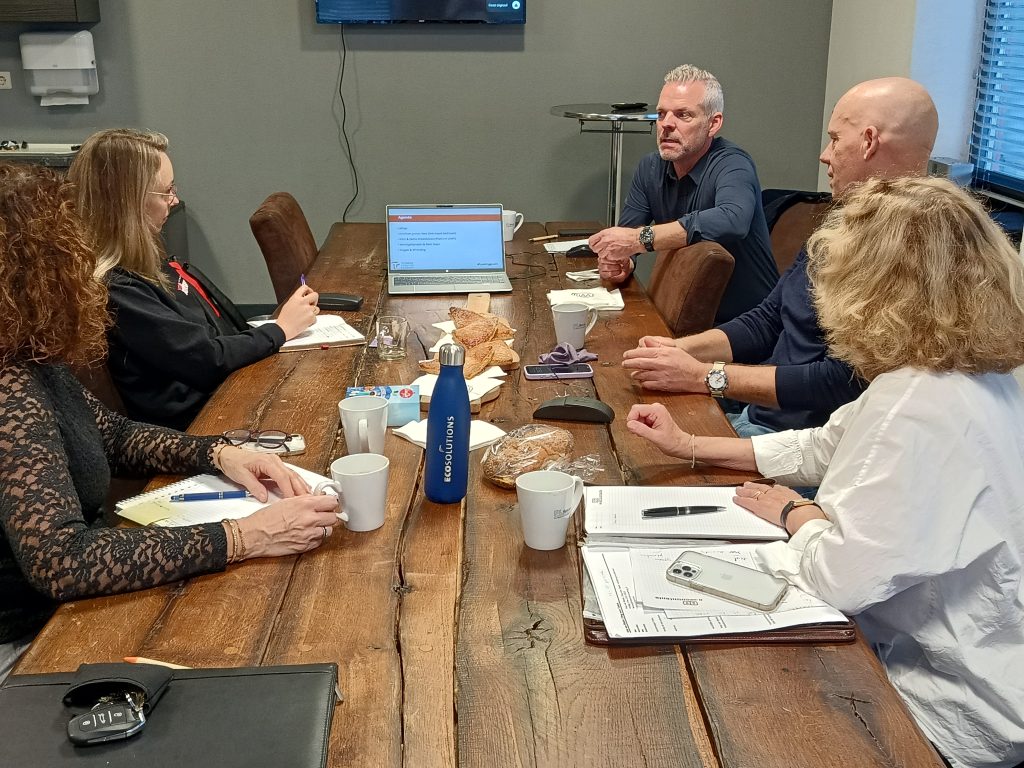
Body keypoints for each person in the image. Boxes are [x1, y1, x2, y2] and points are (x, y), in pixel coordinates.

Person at [627, 177, 1024, 768]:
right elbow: (826, 445)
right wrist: (691, 443)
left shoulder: (916, 402)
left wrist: (797, 513)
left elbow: (840, 578)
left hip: (949, 707)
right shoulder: (969, 374)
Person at [0, 164, 342, 680]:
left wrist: (220, 453)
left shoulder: (23, 355)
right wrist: (243, 536)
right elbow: (62, 560)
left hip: (68, 610)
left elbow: (110, 433)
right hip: (35, 641)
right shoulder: (8, 388)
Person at [622, 77, 939, 436]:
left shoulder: (909, 249)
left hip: (796, 443)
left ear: (868, 142)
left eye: (835, 139)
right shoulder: (839, 225)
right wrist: (678, 350)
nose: (824, 154)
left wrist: (703, 376)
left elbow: (839, 381)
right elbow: (769, 320)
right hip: (760, 417)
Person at [68, 129, 319, 431]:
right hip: (199, 424)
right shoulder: (117, 290)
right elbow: (206, 361)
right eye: (166, 191)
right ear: (128, 204)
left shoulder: (146, 267)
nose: (175, 201)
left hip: (221, 398)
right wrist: (280, 329)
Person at [589, 64, 778, 323]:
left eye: (683, 115)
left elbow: (733, 219)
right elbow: (629, 236)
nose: (666, 124)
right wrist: (622, 264)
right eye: (661, 113)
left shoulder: (733, 163)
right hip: (680, 319)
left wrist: (641, 239)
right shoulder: (650, 168)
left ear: (713, 124)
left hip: (750, 327)